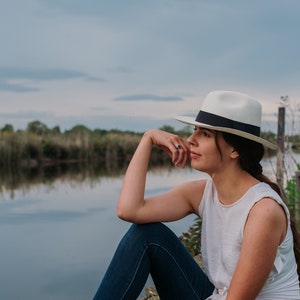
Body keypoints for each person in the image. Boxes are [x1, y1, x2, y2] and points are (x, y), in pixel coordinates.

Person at [93, 90, 300, 300]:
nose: (191, 139)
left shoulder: (263, 211)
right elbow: (129, 210)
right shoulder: (202, 193)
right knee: (147, 235)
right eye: (195, 130)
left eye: (206, 134)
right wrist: (148, 138)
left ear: (234, 150)